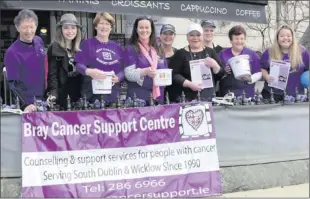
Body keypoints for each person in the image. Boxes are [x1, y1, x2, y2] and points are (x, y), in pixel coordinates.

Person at [75, 12, 124, 105]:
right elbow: (78, 65)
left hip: (112, 95)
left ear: (111, 27)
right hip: (91, 96)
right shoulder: (86, 44)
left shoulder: (117, 47)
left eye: (107, 24)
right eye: (101, 23)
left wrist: (119, 77)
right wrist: (88, 71)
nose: (104, 26)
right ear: (96, 26)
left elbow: (124, 69)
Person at [169, 23, 225, 102]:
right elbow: (173, 75)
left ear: (202, 36)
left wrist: (216, 66)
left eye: (198, 35)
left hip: (208, 97)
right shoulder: (180, 54)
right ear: (187, 37)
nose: (195, 38)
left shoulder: (210, 52)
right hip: (187, 98)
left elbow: (222, 74)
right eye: (192, 35)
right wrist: (189, 84)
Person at [4, 9, 46, 112]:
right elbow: (13, 84)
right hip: (28, 105)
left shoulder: (39, 41)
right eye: (24, 27)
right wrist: (25, 105)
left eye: (31, 27)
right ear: (17, 28)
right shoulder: (12, 52)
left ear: (36, 26)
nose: (29, 31)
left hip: (43, 101)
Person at [123, 16, 168, 104]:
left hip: (159, 97)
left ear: (151, 30)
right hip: (139, 97)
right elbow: (128, 74)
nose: (144, 30)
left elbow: (165, 71)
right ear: (136, 30)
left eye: (147, 27)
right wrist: (144, 71)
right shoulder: (130, 49)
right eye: (141, 27)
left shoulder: (158, 49)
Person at [260, 25, 309, 102]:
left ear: (292, 38)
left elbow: (307, 71)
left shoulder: (302, 52)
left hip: (295, 95)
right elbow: (262, 68)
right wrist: (266, 76)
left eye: (288, 36)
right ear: (277, 38)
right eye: (282, 36)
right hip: (272, 94)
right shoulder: (269, 52)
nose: (285, 38)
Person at [46, 13, 83, 109]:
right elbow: (52, 74)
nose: (70, 31)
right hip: (62, 94)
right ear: (61, 30)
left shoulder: (81, 47)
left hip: (79, 93)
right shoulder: (54, 47)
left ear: (77, 30)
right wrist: (53, 93)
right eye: (66, 28)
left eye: (73, 28)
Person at [218, 25, 262, 98]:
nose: (239, 41)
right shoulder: (222, 54)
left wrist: (251, 79)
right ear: (231, 40)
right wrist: (224, 71)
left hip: (247, 94)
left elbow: (259, 72)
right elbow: (216, 73)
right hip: (227, 94)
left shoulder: (252, 54)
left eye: (242, 39)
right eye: (236, 39)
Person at [159, 24, 178, 101]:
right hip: (158, 93)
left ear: (174, 36)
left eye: (171, 34)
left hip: (175, 94)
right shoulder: (153, 53)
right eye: (165, 34)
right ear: (160, 35)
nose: (168, 36)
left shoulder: (178, 53)